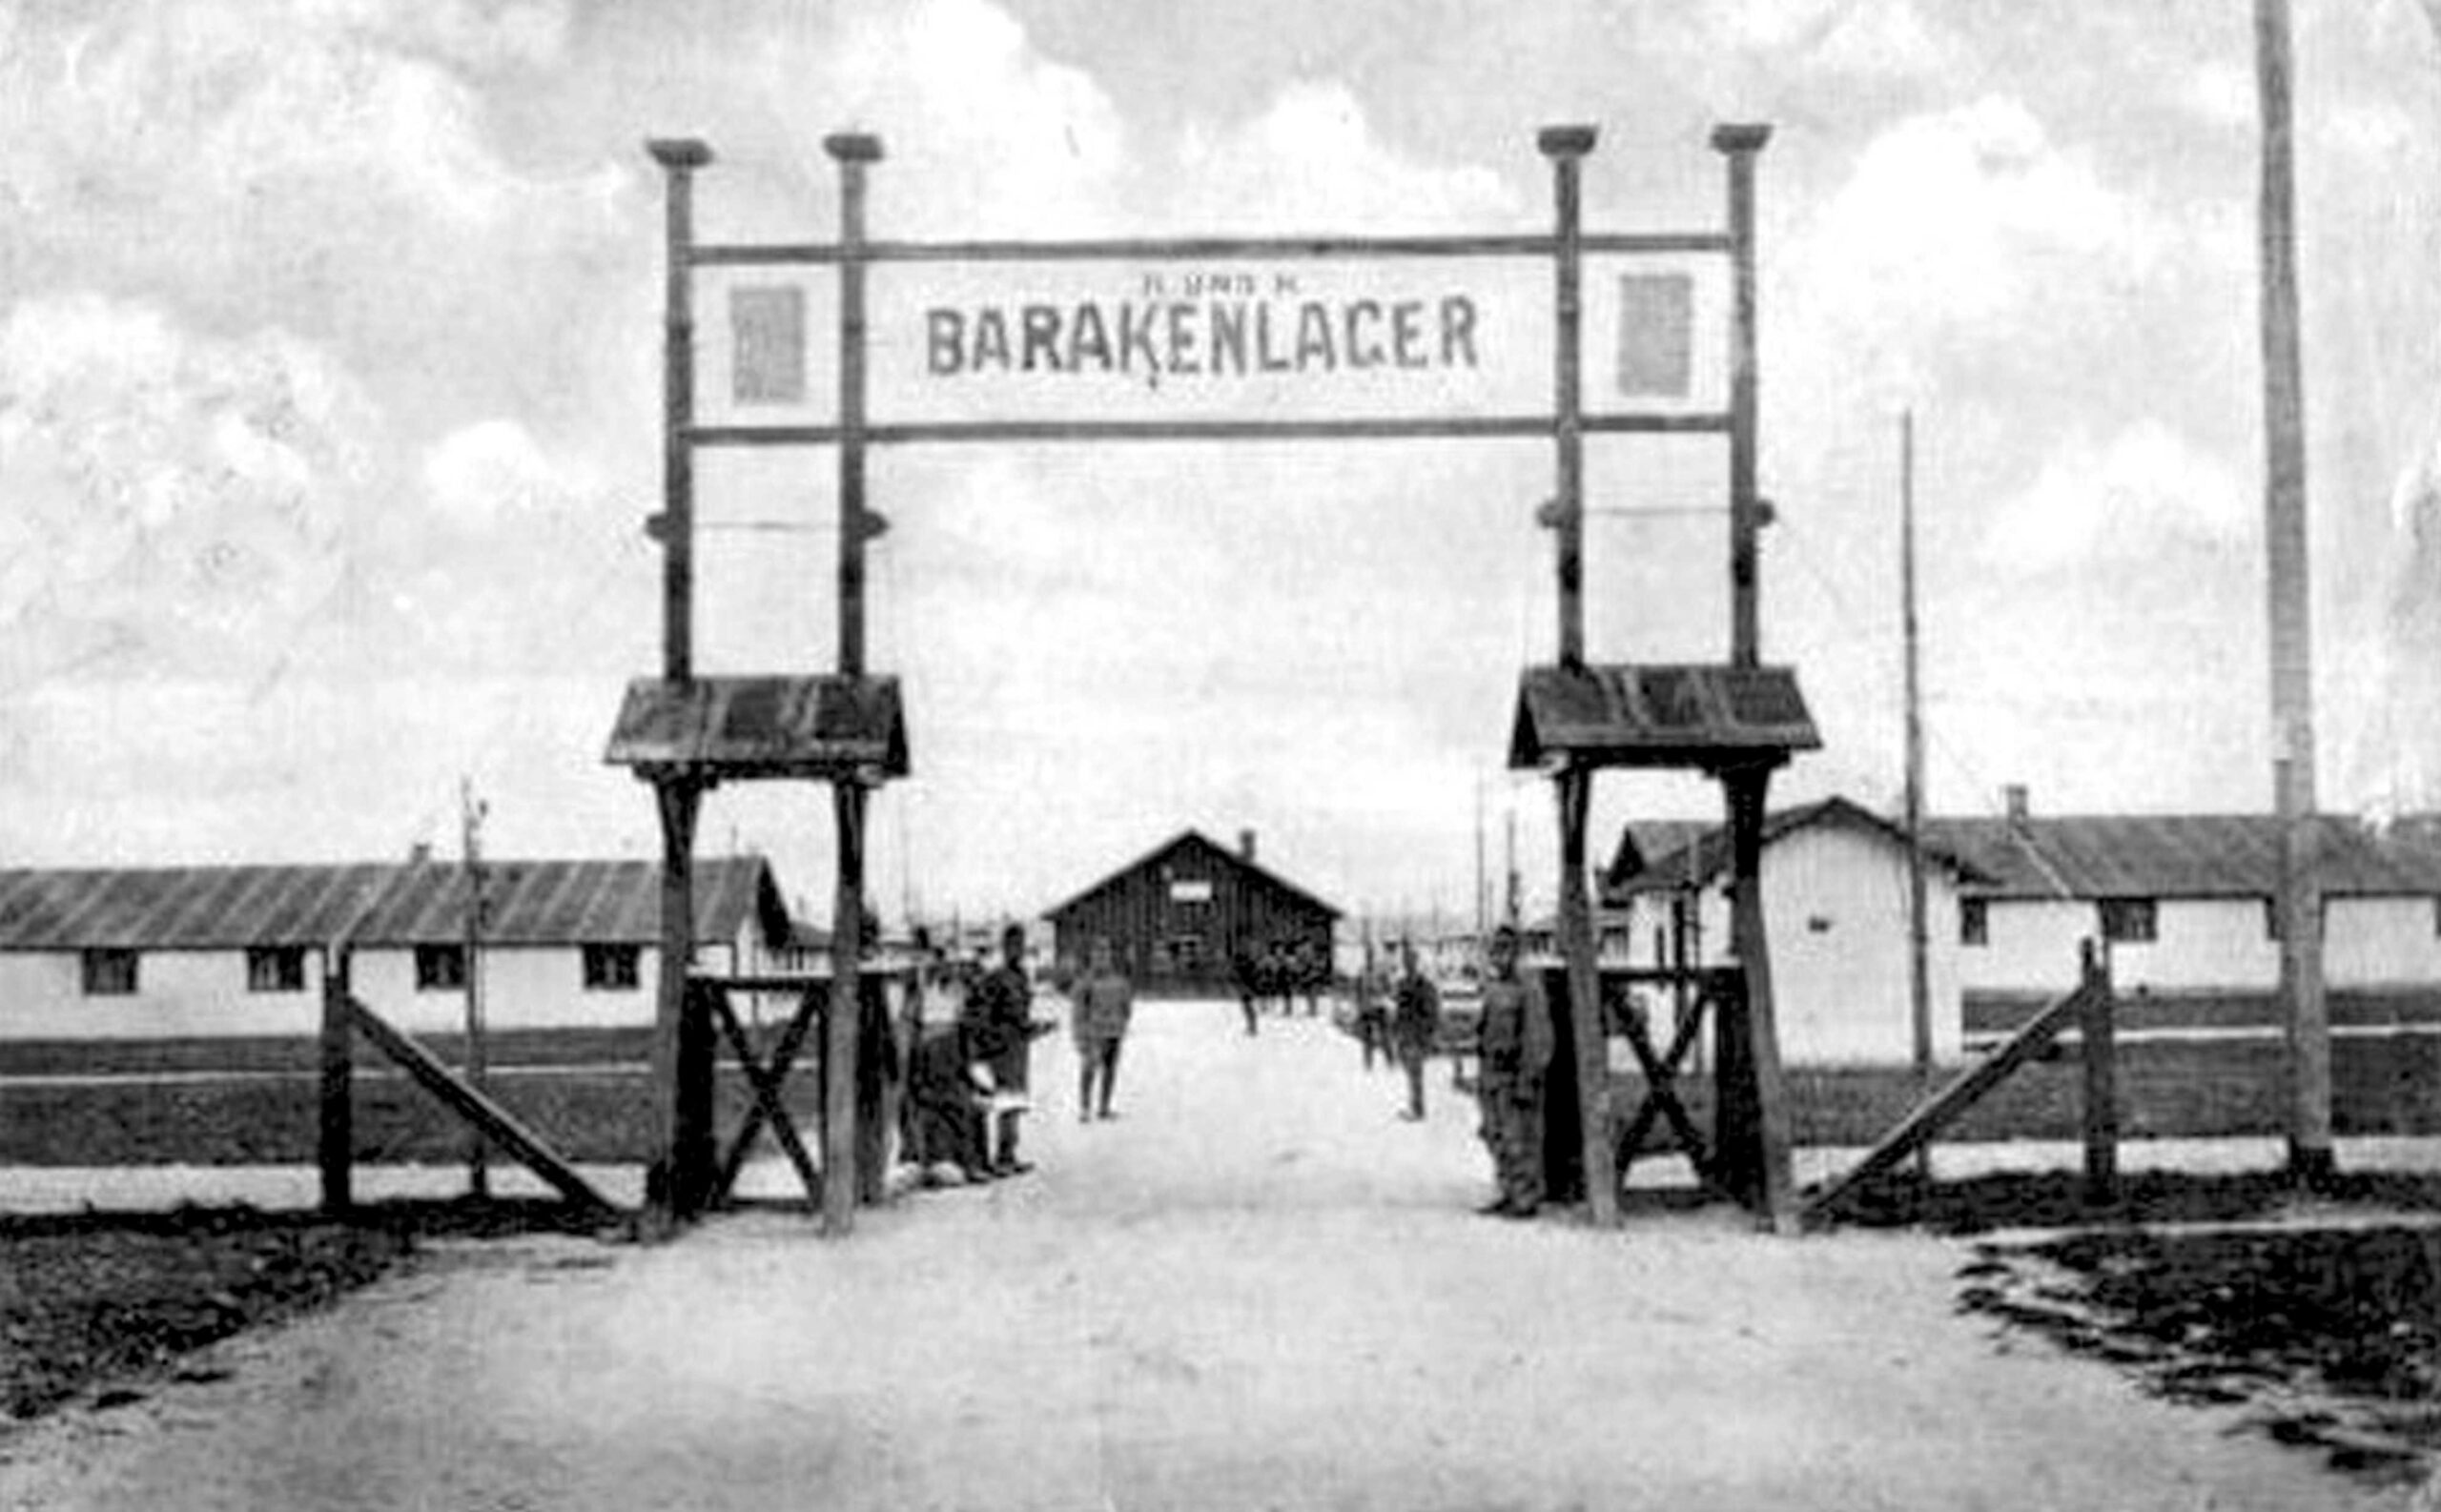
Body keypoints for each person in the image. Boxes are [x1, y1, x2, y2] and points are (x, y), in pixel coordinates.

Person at [1473, 925, 1554, 1218]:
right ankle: (1507, 1191)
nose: (1499, 956)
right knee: (1495, 1136)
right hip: (1492, 1075)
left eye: (1505, 949)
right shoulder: (1494, 988)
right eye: (1495, 949)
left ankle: (1525, 1198)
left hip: (1513, 1075)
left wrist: (1527, 1079)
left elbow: (1538, 1038)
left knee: (1518, 1139)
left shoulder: (1528, 988)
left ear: (1517, 951)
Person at [965, 924, 1045, 1175]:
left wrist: (1034, 1027)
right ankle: (987, 1158)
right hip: (1000, 1049)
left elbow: (1021, 1014)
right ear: (1004, 947)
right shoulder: (996, 978)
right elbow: (981, 1014)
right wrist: (990, 1041)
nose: (1016, 950)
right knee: (996, 1101)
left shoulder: (1021, 977)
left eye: (1020, 945)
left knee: (1014, 1102)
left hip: (1017, 1047)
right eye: (1012, 945)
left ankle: (1007, 1154)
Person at [1071, 937, 1134, 1121]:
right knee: (1089, 1069)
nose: (1102, 957)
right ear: (1091, 956)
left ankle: (1104, 1107)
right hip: (1093, 1034)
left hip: (1114, 1032)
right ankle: (1085, 1108)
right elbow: (1078, 1011)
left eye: (1105, 952)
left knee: (1110, 1070)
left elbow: (1126, 1005)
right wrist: (1080, 1036)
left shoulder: (1119, 981)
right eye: (1098, 952)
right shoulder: (1085, 982)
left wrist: (1122, 1023)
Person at [1390, 940, 1441, 1122]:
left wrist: (1429, 1034)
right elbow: (1397, 1009)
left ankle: (1418, 1109)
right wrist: (1396, 1031)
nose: (1408, 965)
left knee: (1415, 1073)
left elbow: (1432, 1011)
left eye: (1410, 961)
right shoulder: (1402, 984)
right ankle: (1415, 1106)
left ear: (1416, 963)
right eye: (1406, 962)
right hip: (1405, 1034)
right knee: (1410, 1072)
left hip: (1417, 1035)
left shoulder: (1425, 985)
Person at [1353, 948, 1391, 1072]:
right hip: (1366, 1009)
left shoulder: (1380, 971)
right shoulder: (1362, 971)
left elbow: (1388, 987)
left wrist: (1379, 990)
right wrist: (1359, 1006)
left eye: (1371, 955)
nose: (1369, 958)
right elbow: (1357, 990)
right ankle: (1368, 1066)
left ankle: (1390, 1064)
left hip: (1379, 1007)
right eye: (1368, 956)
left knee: (1385, 1037)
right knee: (1367, 1040)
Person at [1232, 944, 1262, 1037]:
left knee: (1248, 1008)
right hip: (1247, 988)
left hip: (1248, 988)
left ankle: (1253, 1028)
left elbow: (1255, 974)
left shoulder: (1248, 964)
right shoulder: (1247, 964)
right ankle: (1252, 1027)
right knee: (1247, 1008)